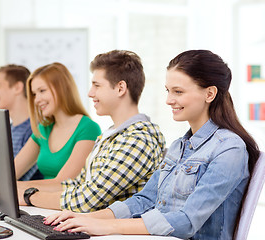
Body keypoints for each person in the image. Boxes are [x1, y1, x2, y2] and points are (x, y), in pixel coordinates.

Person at [45, 50, 260, 240]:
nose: (168, 100)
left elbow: (186, 222)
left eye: (178, 92)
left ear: (210, 93)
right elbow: (145, 199)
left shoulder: (229, 149)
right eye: (168, 90)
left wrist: (106, 226)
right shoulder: (179, 146)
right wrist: (85, 218)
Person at [18, 50, 166, 213]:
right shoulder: (109, 136)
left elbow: (87, 199)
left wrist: (29, 196)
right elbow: (78, 184)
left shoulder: (138, 139)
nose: (90, 93)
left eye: (97, 85)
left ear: (120, 88)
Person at [14, 62, 101, 187]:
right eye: (34, 94)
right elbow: (11, 173)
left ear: (62, 89)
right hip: (37, 204)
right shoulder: (43, 129)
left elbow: (63, 183)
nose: (37, 99)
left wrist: (15, 187)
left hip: (64, 204)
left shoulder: (88, 129)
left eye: (42, 91)